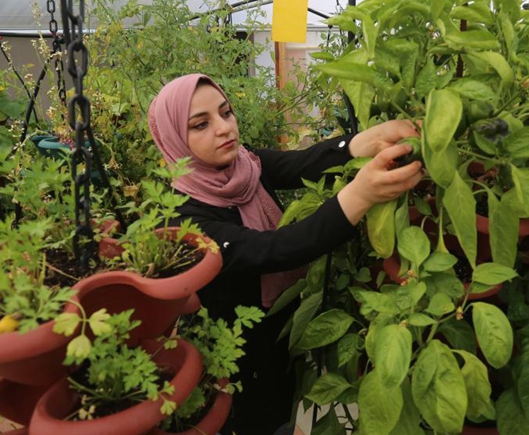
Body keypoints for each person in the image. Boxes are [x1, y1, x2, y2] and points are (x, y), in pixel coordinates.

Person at [148, 73, 422, 435]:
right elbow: (275, 250)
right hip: (242, 353)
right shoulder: (186, 217)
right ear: (173, 139)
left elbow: (302, 164)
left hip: (283, 325)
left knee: (286, 404)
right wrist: (360, 195)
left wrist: (361, 142)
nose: (224, 128)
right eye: (201, 124)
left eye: (225, 112)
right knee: (258, 417)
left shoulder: (245, 165)